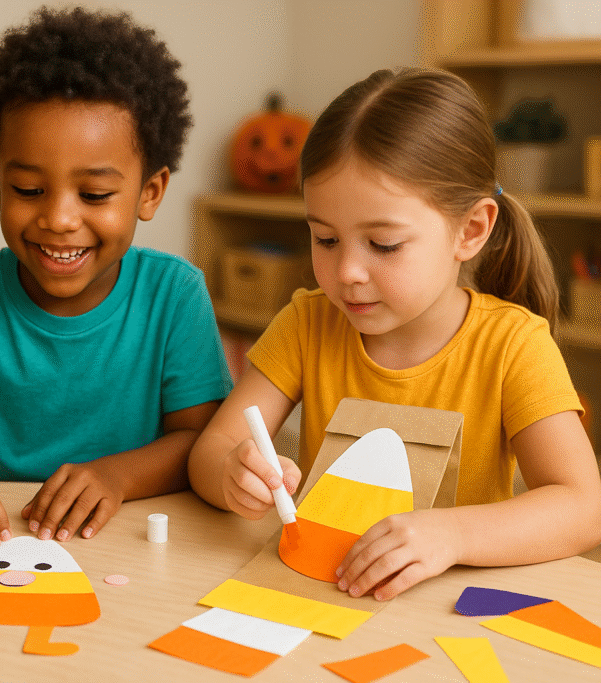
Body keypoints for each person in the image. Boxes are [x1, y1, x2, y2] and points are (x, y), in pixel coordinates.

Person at [188, 67, 601, 600]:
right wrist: (230, 473)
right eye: (326, 239)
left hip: (448, 614)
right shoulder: (307, 322)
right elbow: (212, 448)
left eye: (383, 245)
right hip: (325, 594)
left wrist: (453, 534)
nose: (348, 273)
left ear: (471, 230)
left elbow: (583, 507)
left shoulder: (513, 344)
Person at [0, 6, 232, 550]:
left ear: (150, 192)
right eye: (30, 190)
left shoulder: (174, 294)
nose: (59, 219)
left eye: (95, 195)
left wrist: (118, 476)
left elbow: (201, 440)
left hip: (126, 539)